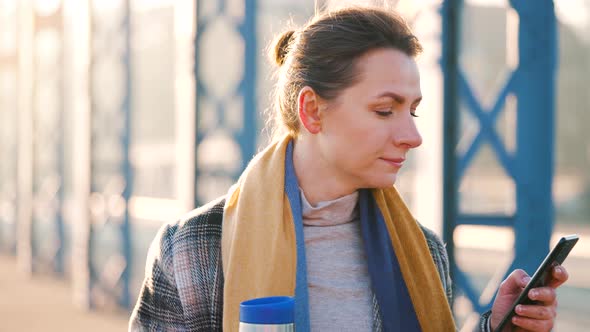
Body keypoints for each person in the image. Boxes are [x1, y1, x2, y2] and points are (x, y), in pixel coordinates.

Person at [129, 6, 569, 332]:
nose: (412, 137)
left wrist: (500, 327)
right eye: (384, 110)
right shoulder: (192, 249)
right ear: (312, 111)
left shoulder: (424, 250)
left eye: (412, 111)